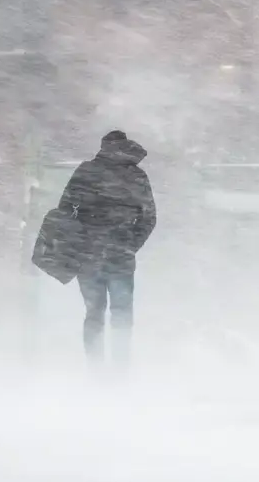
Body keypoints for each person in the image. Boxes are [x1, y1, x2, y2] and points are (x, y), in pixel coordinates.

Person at [57, 130, 157, 369]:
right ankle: (117, 368)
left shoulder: (87, 172)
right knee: (119, 314)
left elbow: (64, 211)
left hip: (92, 255)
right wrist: (130, 243)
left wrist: (78, 240)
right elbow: (148, 217)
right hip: (116, 255)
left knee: (95, 313)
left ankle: (98, 369)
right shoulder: (135, 175)